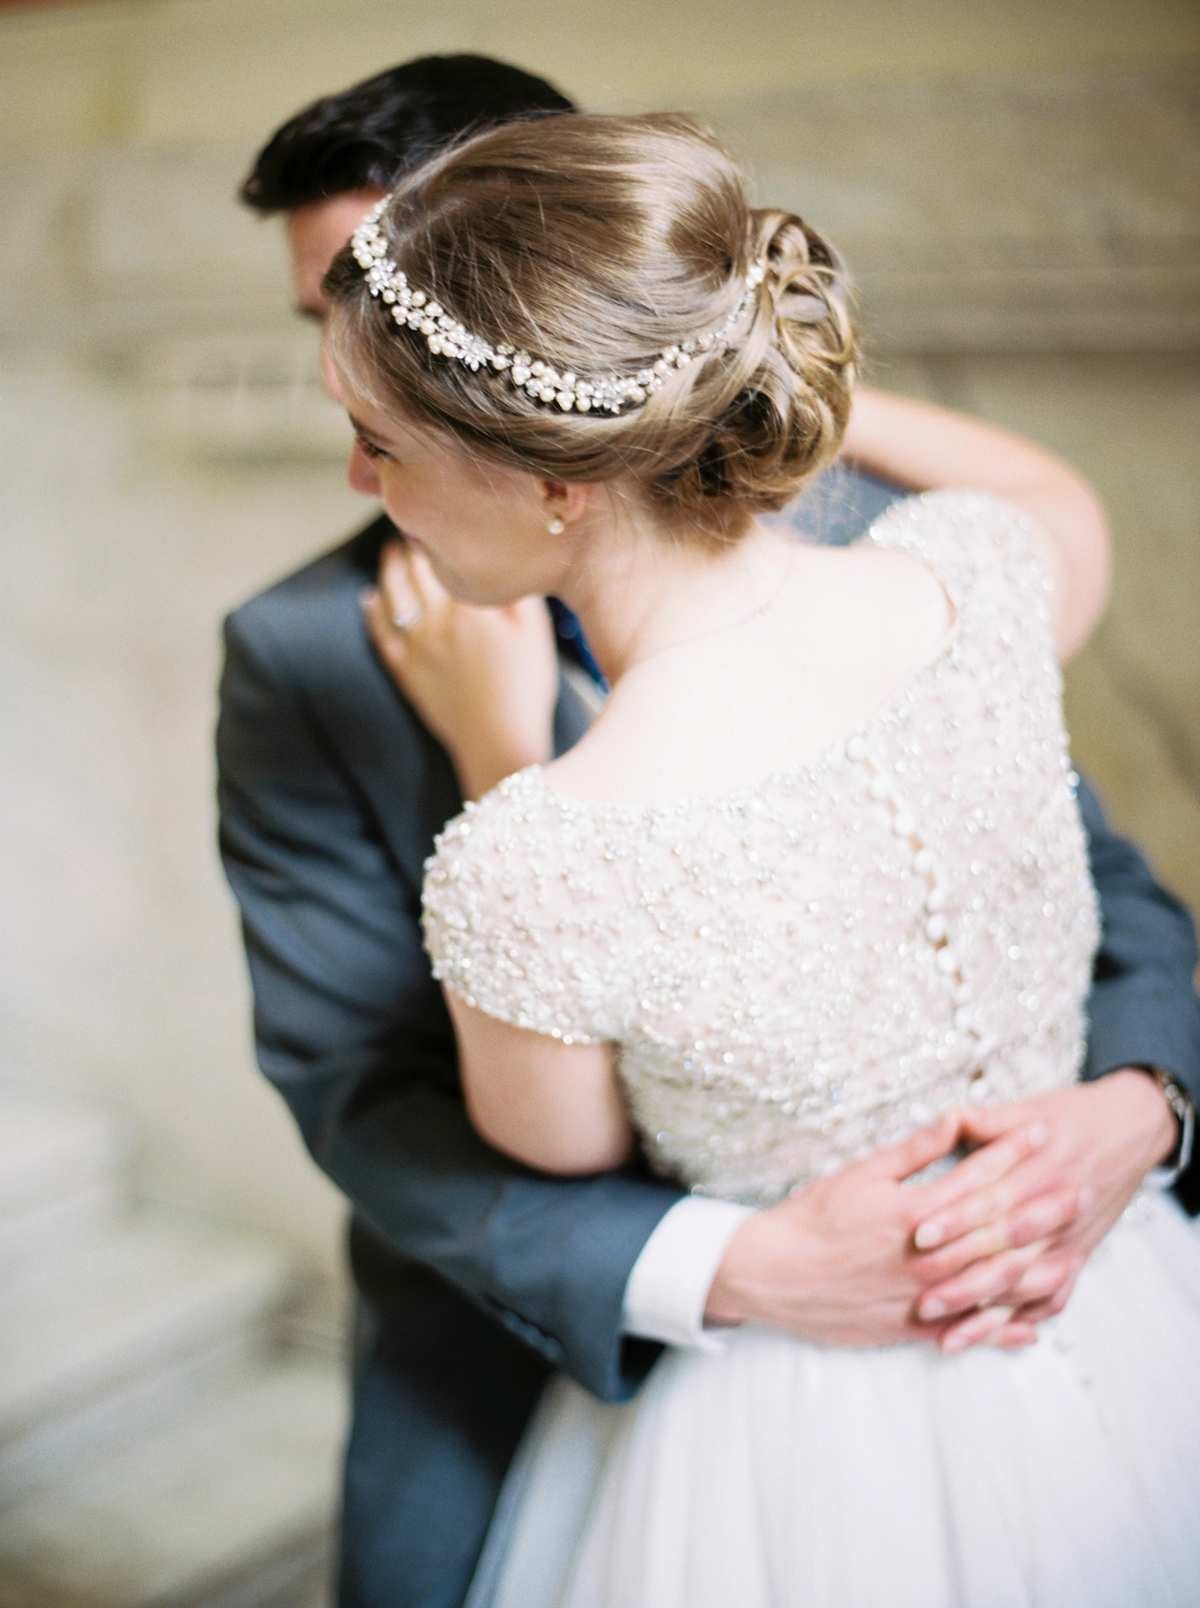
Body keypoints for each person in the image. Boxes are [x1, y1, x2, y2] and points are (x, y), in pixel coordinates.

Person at [219, 60, 1200, 1608]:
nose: (360, 436)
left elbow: (1100, 886)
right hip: (575, 1344)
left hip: (988, 1318)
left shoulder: (877, 530)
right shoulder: (974, 561)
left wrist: (1143, 1105)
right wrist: (736, 1272)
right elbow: (357, 1085)